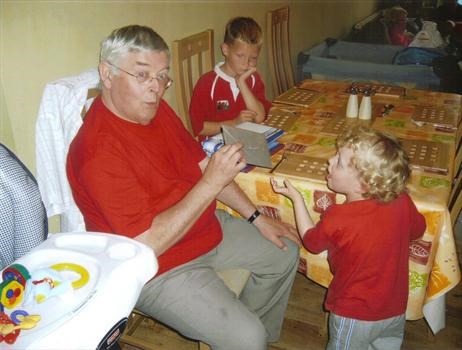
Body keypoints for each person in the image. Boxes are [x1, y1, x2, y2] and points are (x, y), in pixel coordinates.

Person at [66, 25, 300, 349]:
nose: (156, 89)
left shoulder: (157, 110)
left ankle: (244, 334)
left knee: (284, 253)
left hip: (201, 228)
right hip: (157, 267)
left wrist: (257, 217)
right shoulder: (97, 151)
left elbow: (204, 166)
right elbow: (147, 244)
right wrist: (209, 184)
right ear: (107, 73)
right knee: (248, 337)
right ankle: (245, 337)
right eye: (143, 75)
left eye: (163, 76)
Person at [270, 126, 426, 350]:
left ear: (363, 184)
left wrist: (297, 199)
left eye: (339, 162)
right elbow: (418, 230)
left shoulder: (338, 216)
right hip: (395, 308)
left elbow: (312, 242)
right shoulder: (401, 199)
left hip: (356, 313)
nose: (329, 161)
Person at [189, 17, 271, 141]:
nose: (246, 63)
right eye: (240, 56)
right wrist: (234, 123)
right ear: (225, 49)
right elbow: (198, 127)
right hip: (217, 147)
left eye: (253, 58)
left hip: (246, 142)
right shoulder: (207, 83)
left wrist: (242, 83)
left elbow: (259, 117)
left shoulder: (253, 79)